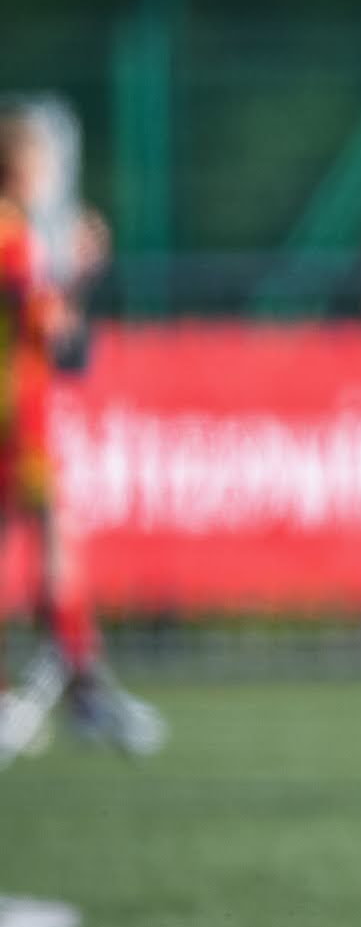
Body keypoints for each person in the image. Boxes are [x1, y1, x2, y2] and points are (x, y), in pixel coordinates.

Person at [0, 108, 162, 766]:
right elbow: (51, 329)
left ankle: (79, 686)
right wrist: (83, 272)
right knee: (52, 539)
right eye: (39, 162)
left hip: (19, 409)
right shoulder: (11, 235)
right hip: (17, 414)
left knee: (51, 537)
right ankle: (78, 686)